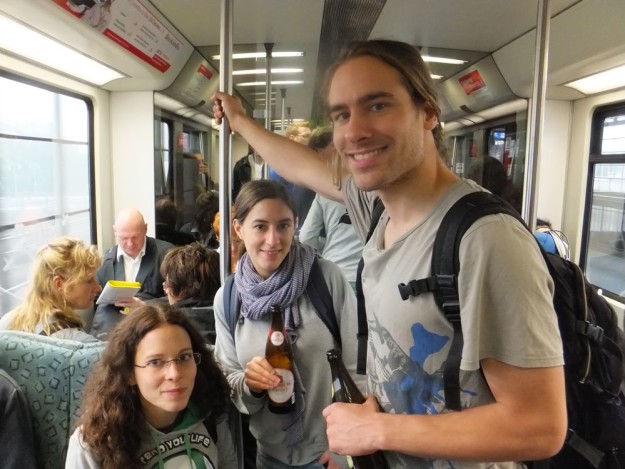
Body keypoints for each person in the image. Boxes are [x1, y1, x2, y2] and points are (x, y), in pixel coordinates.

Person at [212, 39, 567, 467]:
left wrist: (376, 431)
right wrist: (240, 121)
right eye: (341, 115)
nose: (353, 132)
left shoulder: (485, 239)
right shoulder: (380, 211)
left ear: (428, 112)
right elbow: (303, 167)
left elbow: (538, 425)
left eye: (377, 105)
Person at [213, 180, 361, 469]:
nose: (273, 240)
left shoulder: (325, 279)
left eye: (283, 225)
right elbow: (228, 378)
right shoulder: (229, 298)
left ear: (296, 225)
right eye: (260, 226)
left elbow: (359, 365)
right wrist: (251, 385)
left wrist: (346, 450)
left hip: (330, 454)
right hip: (268, 456)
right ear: (238, 229)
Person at [65, 303, 236, 469]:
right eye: (155, 362)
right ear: (129, 373)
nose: (175, 374)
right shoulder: (93, 443)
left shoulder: (210, 415)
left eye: (184, 357)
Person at [91, 208, 174, 340]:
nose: (130, 244)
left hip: (152, 329)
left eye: (135, 237)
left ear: (145, 229)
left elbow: (181, 297)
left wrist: (146, 305)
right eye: (124, 238)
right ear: (115, 232)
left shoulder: (167, 254)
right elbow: (94, 299)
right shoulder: (105, 261)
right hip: (112, 333)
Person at [0, 237, 101, 342]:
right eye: (89, 281)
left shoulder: (7, 322)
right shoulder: (79, 341)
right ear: (59, 284)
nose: (98, 287)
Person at [298, 127, 363, 289]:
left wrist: (328, 246)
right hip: (368, 274)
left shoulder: (325, 191)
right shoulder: (380, 189)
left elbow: (306, 236)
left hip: (333, 270)